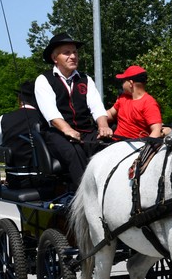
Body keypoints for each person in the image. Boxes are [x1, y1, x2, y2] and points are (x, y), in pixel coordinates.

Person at [33, 32, 112, 189]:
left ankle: (111, 191)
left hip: (85, 131)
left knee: (111, 145)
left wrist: (103, 126)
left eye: (75, 52)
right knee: (74, 151)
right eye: (67, 53)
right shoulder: (44, 80)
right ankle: (84, 195)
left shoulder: (85, 79)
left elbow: (97, 107)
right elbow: (51, 114)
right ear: (55, 58)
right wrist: (67, 130)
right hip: (57, 134)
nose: (73, 56)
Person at [0, 81, 47, 188]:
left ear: (19, 99)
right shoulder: (49, 120)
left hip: (17, 181)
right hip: (47, 180)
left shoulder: (4, 119)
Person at [105, 65, 169, 139]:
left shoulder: (149, 103)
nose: (122, 84)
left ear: (130, 83)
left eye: (124, 81)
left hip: (136, 144)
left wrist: (146, 145)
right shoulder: (123, 98)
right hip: (115, 142)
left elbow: (156, 131)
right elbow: (111, 114)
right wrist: (99, 119)